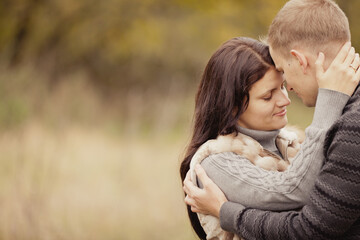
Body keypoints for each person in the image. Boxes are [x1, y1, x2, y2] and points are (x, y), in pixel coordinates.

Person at [183, 0, 360, 239]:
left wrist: (226, 211)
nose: (285, 100)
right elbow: (293, 193)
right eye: (268, 96)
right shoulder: (216, 161)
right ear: (232, 105)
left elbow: (313, 223)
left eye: (283, 86)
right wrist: (329, 103)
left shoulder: (294, 143)